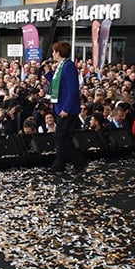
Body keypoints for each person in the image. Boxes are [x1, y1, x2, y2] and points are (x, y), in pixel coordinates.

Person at [46, 41, 88, 174]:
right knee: (62, 138)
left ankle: (79, 160)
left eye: (54, 51)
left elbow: (72, 90)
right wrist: (47, 72)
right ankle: (59, 165)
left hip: (66, 109)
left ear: (58, 52)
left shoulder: (68, 66)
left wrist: (66, 109)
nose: (53, 54)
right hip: (60, 107)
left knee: (61, 137)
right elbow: (57, 83)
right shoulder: (61, 66)